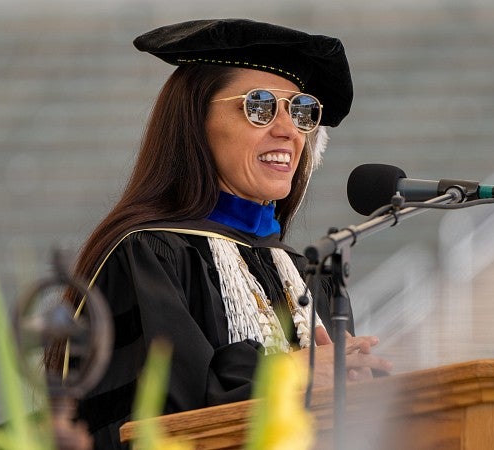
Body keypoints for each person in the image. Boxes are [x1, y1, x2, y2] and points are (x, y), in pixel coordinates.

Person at [43, 18, 393, 449]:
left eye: (301, 111)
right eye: (259, 106)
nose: (288, 130)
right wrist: (287, 376)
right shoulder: (148, 256)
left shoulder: (305, 274)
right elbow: (160, 415)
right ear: (195, 123)